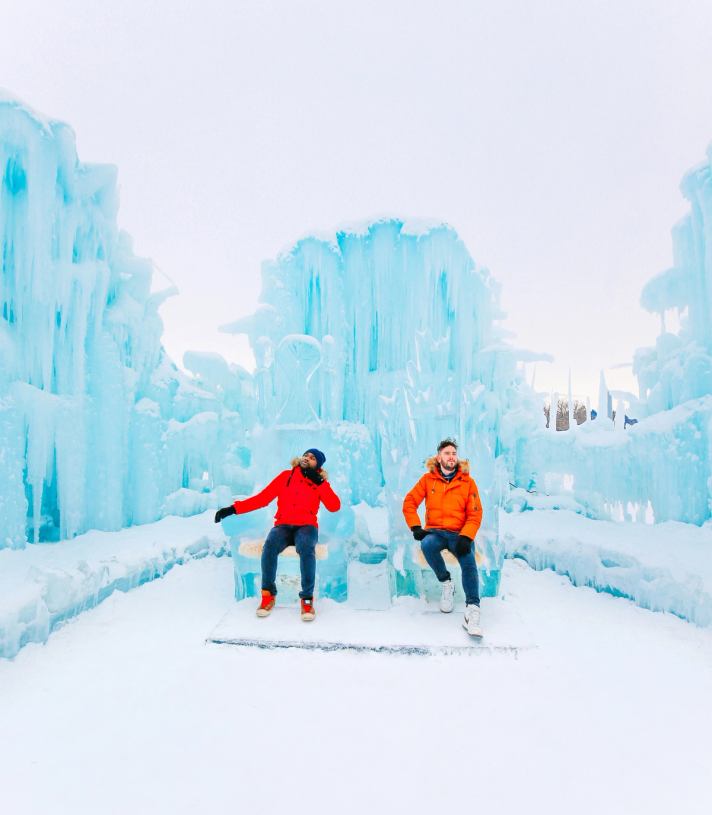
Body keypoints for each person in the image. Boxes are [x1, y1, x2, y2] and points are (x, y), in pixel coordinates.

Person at [214, 448, 340, 621]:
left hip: (307, 526)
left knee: (306, 547)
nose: (308, 458)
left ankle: (307, 599)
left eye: (313, 458)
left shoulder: (319, 482)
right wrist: (233, 509)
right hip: (283, 525)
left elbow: (334, 506)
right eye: (306, 455)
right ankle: (268, 595)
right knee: (270, 546)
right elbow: (262, 498)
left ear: (318, 465)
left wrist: (319, 483)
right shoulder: (286, 476)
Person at [402, 438, 483, 637]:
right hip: (436, 531)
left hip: (459, 534)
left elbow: (475, 513)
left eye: (454, 453)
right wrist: (415, 526)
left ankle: (473, 609)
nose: (451, 457)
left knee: (469, 561)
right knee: (427, 544)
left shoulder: (467, 482)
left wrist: (467, 536)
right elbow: (410, 502)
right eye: (447, 453)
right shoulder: (427, 479)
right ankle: (447, 583)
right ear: (439, 457)